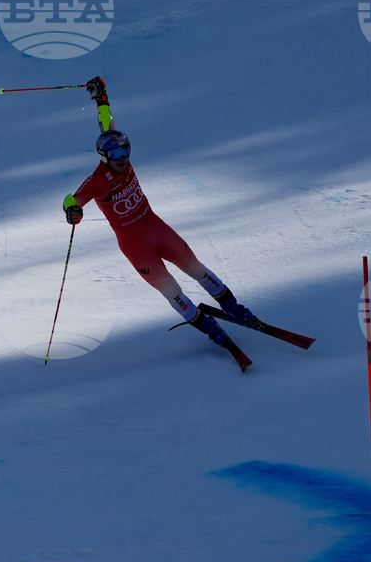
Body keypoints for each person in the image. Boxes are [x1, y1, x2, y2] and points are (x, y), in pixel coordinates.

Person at [62, 77, 256, 358]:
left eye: (125, 150)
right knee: (172, 290)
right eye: (115, 153)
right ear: (103, 156)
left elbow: (107, 123)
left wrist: (101, 98)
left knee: (196, 268)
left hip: (155, 226)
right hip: (135, 244)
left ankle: (235, 309)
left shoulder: (117, 149)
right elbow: (72, 199)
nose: (122, 157)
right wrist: (73, 211)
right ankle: (213, 332)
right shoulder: (98, 180)